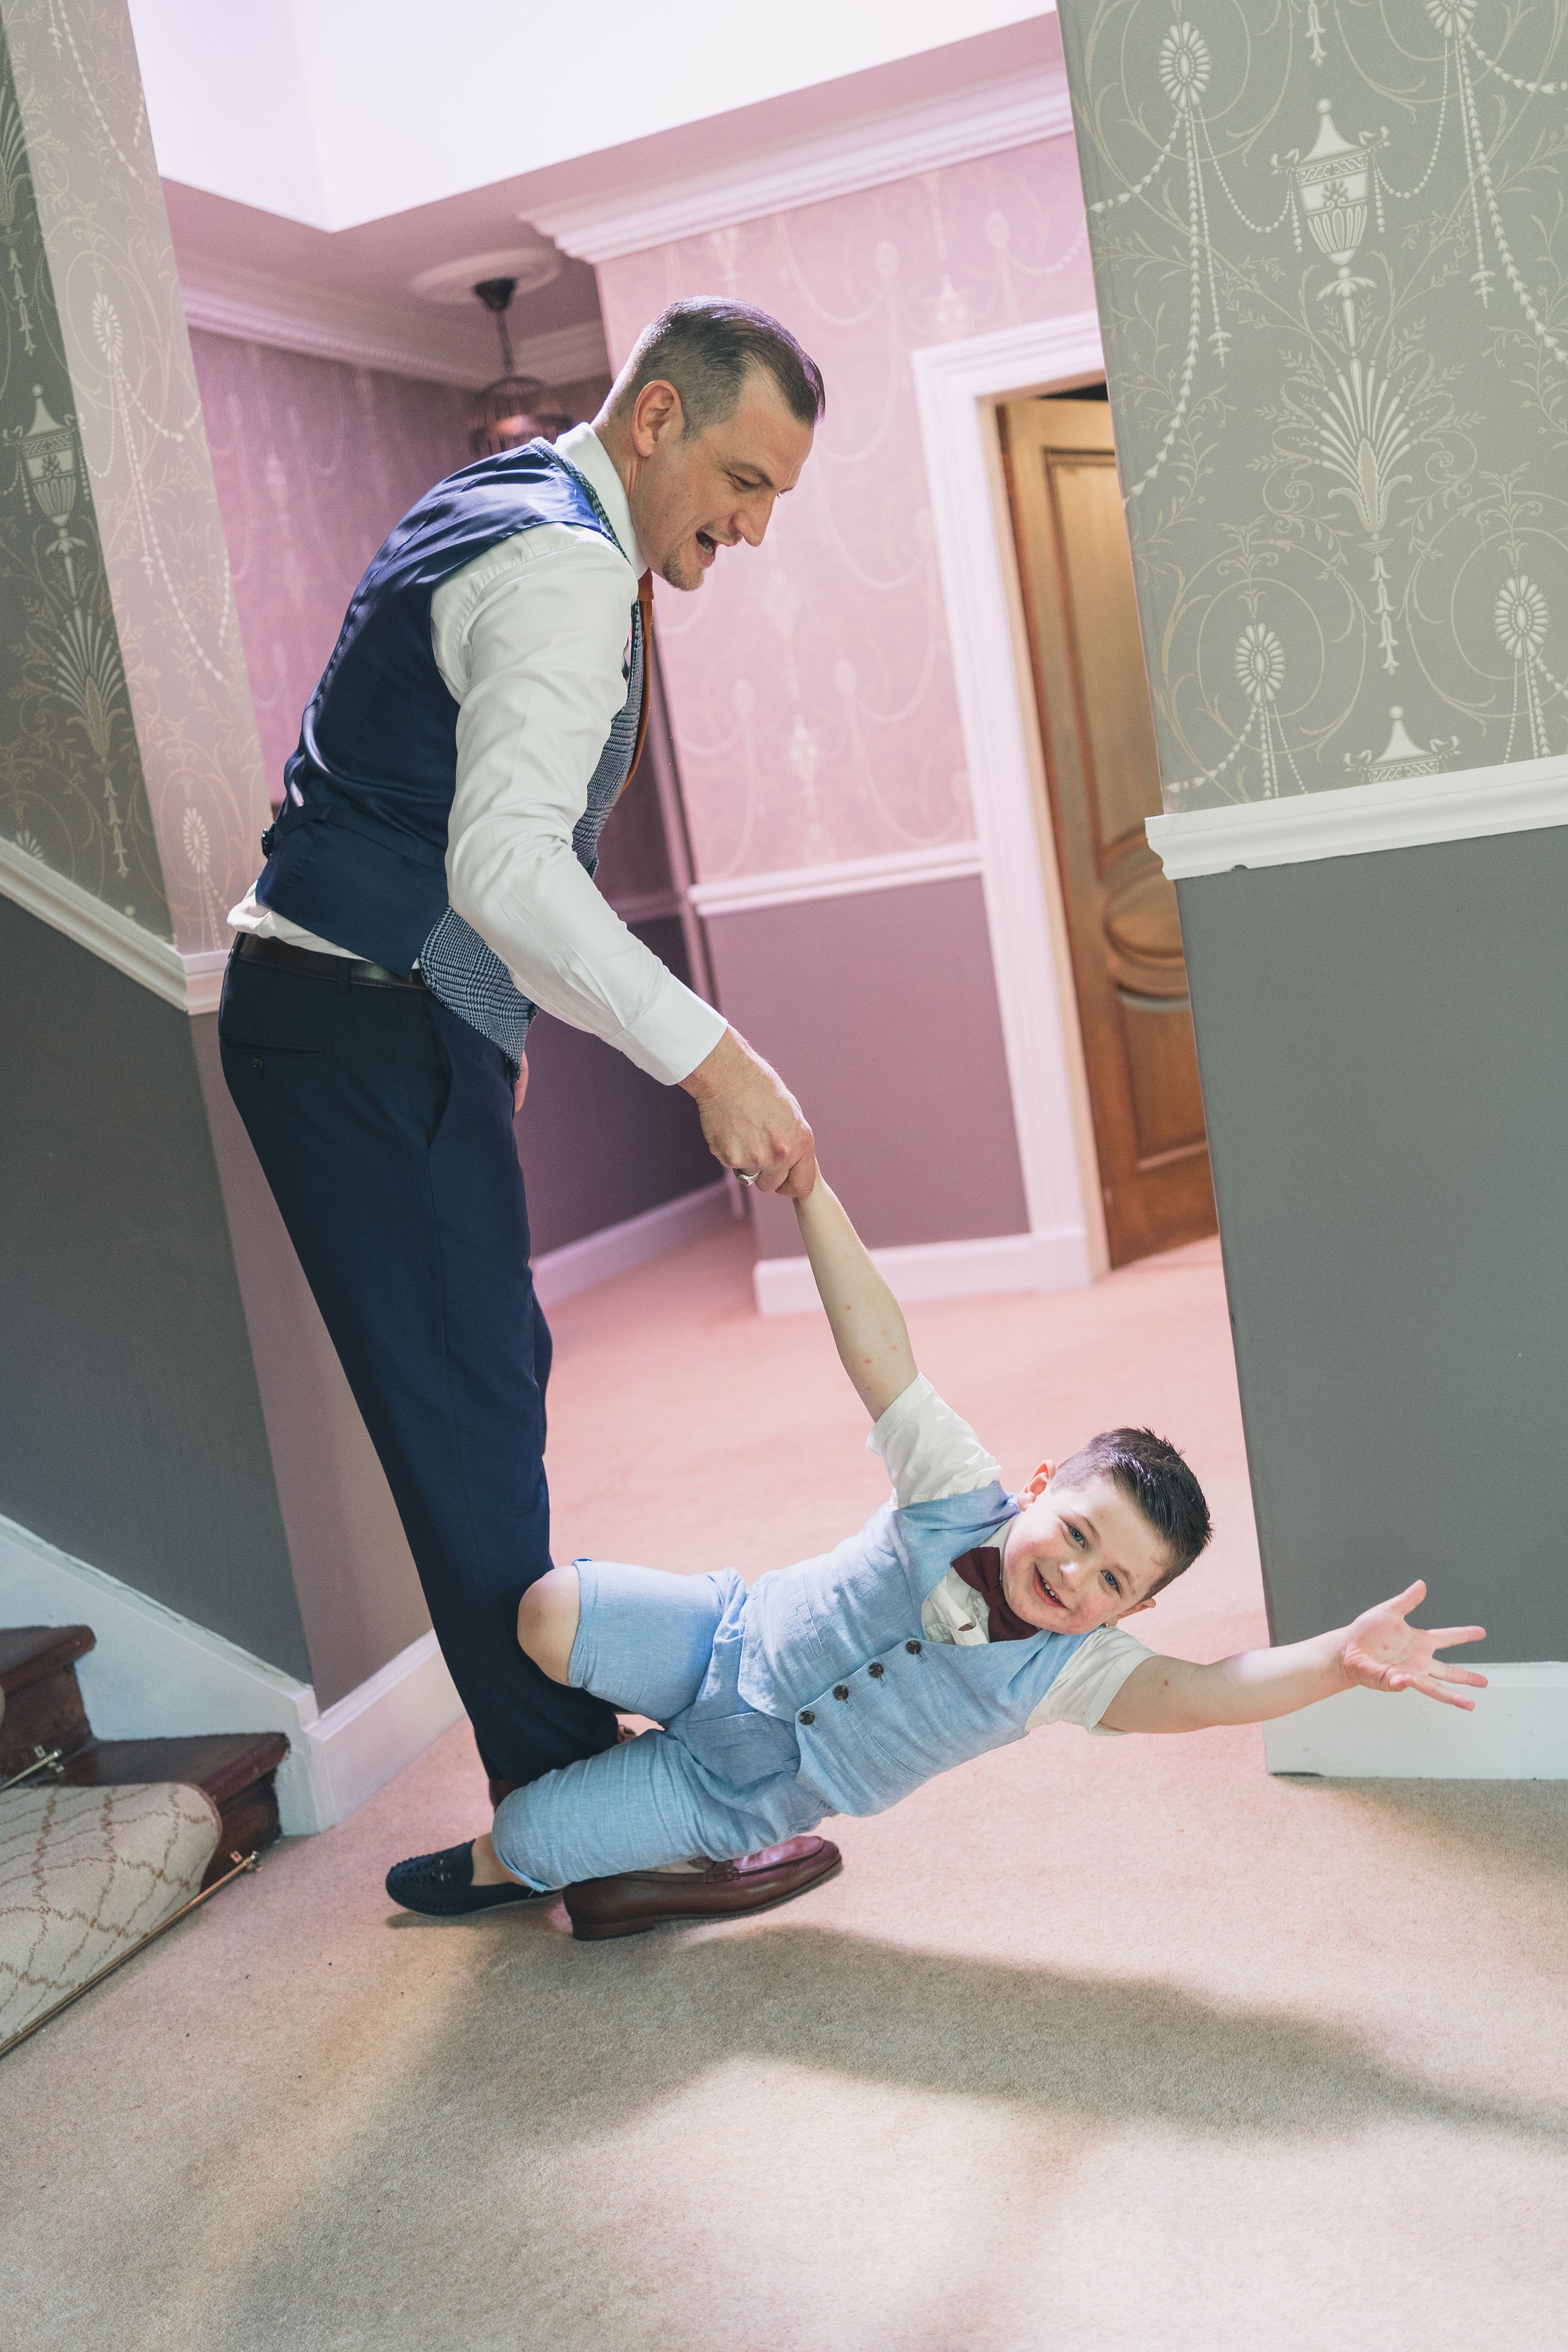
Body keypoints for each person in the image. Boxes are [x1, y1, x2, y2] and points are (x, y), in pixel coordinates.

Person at [219, 299, 834, 1935]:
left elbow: (412, 796)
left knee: (479, 1393)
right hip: (356, 1026)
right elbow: (504, 861)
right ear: (652, 421)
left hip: (364, 1012)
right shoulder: (565, 564)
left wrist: (486, 1012)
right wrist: (713, 1058)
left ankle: (549, 1796)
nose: (755, 524)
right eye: (742, 475)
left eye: (778, 494)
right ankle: (592, 1829)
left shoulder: (498, 500)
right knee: (473, 1421)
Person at [389, 1173, 1488, 1936]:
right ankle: (625, 1783)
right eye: (1077, 1535)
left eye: (1113, 1583)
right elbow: (882, 1353)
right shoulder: (959, 1493)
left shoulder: (1074, 1673)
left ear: (1126, 1613)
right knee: (546, 1615)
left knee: (525, 1835)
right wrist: (812, 1194)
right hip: (721, 1641)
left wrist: (1335, 1661)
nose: (1073, 1576)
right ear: (1045, 1487)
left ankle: (681, 1859)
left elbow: (1208, 1692)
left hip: (733, 1792)